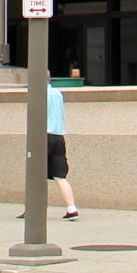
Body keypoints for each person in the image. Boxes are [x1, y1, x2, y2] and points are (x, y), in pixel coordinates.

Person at [45, 69, 78, 220]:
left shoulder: (38, 94)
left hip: (43, 136)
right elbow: (62, 115)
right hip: (59, 136)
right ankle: (72, 208)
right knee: (60, 176)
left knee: (35, 174)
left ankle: (33, 209)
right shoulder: (58, 94)